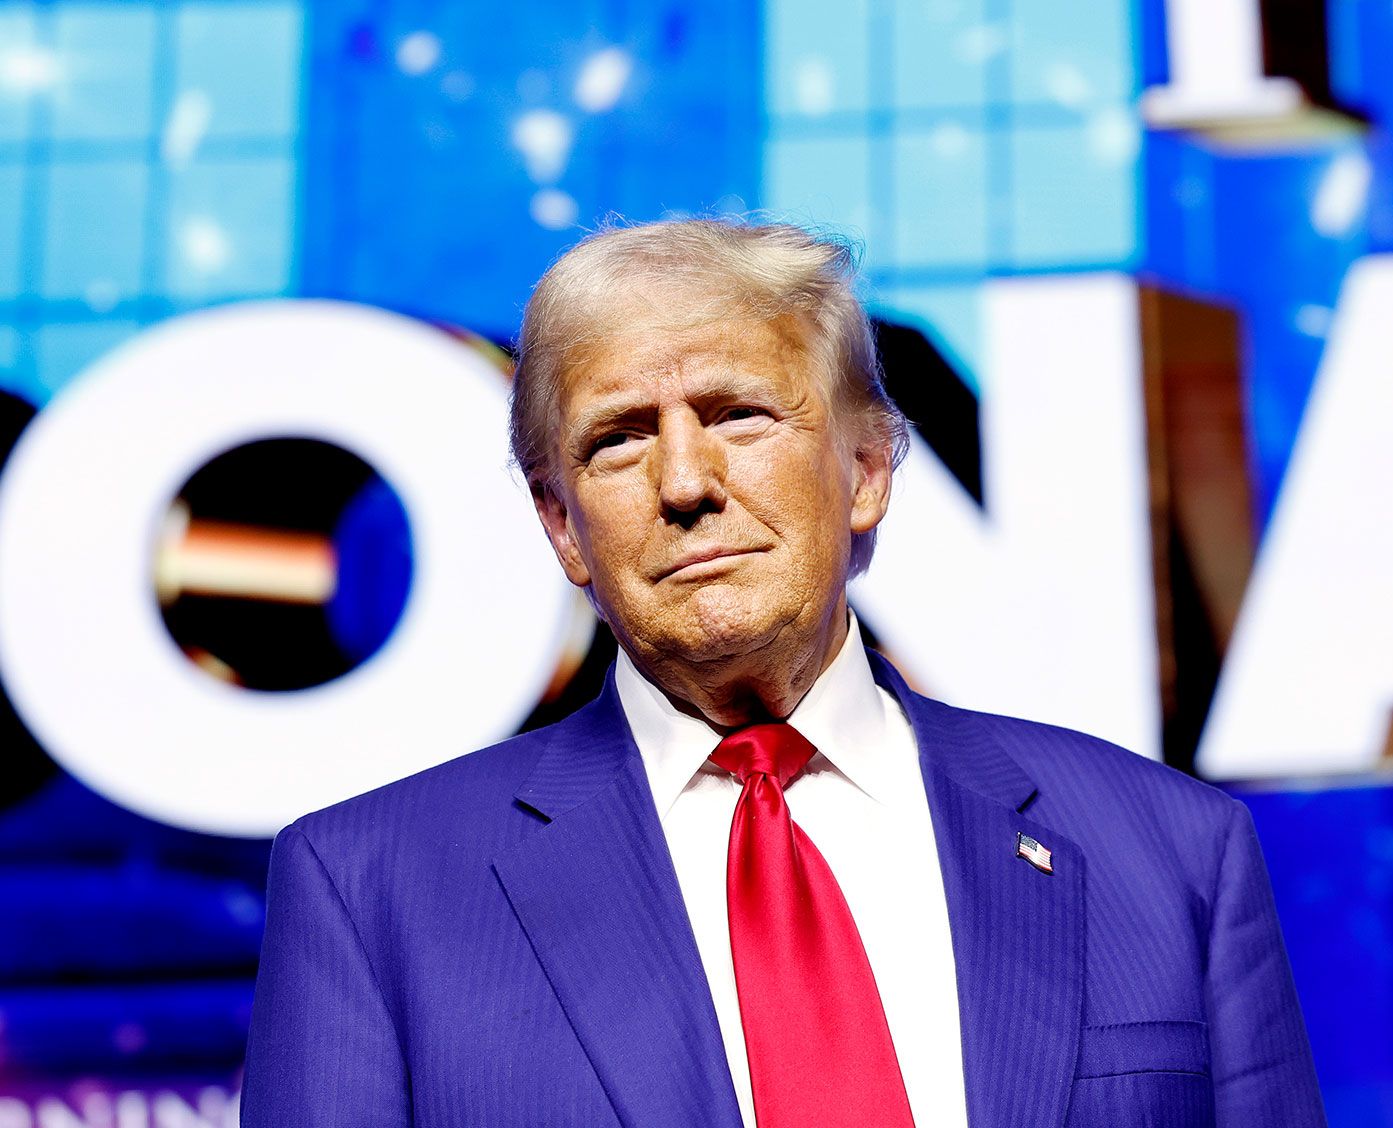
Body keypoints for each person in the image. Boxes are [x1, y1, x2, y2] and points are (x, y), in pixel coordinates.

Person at [241, 219, 1326, 1128]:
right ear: (562, 527)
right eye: (618, 440)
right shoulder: (369, 892)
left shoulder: (1172, 851)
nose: (684, 483)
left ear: (865, 469)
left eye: (737, 416)